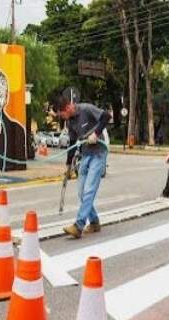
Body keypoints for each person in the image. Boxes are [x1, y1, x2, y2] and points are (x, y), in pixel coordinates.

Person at [52, 91, 111, 239]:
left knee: (89, 190)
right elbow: (72, 143)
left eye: (61, 115)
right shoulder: (70, 122)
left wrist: (96, 134)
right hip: (85, 155)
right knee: (81, 192)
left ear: (68, 107)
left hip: (98, 153)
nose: (62, 118)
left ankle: (78, 225)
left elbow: (106, 116)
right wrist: (68, 166)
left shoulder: (86, 109)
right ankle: (95, 222)